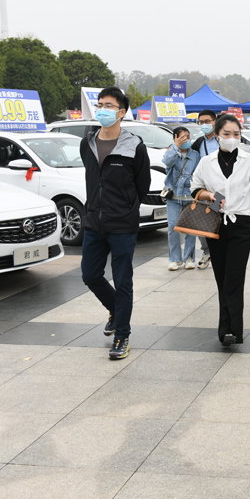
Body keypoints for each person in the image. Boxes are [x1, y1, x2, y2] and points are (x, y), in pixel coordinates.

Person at [79, 86, 150, 360]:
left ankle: (122, 335)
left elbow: (142, 185)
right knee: (90, 275)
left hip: (122, 225)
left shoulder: (134, 145)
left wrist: (127, 209)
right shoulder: (87, 142)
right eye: (100, 104)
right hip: (93, 223)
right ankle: (114, 309)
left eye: (108, 105)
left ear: (121, 112)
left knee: (122, 281)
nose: (102, 109)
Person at [190, 114, 250, 346]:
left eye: (236, 134)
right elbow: (196, 189)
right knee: (221, 277)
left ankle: (232, 329)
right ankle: (226, 327)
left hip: (241, 224)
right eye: (226, 134)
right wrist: (209, 195)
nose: (232, 138)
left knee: (234, 277)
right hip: (215, 221)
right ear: (217, 134)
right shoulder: (207, 162)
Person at [163, 126, 201, 271]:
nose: (186, 139)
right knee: (173, 227)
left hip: (189, 196)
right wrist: (175, 147)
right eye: (182, 137)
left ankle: (189, 258)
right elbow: (167, 162)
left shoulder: (196, 154)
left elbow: (200, 171)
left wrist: (194, 177)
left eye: (187, 136)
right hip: (173, 197)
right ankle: (175, 259)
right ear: (175, 138)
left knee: (190, 229)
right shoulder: (171, 152)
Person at [189, 109, 219, 270]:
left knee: (218, 220)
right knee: (201, 222)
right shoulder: (199, 142)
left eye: (208, 121)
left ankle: (219, 251)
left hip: (220, 190)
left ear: (215, 121)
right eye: (201, 122)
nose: (205, 125)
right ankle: (208, 252)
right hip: (203, 190)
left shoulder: (222, 139)